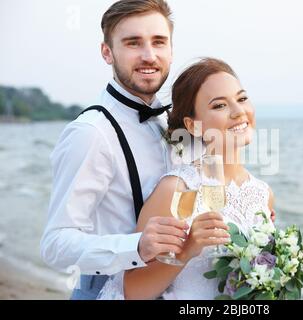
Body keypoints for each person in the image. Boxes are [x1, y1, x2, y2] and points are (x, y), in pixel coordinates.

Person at [40, 0, 208, 300]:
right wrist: (136, 246)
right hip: (108, 291)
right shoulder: (91, 133)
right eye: (133, 43)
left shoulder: (175, 123)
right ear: (107, 52)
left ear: (170, 49)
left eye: (159, 42)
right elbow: (55, 244)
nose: (149, 55)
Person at [98, 57, 276, 300]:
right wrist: (186, 250)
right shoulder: (178, 189)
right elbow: (133, 291)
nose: (238, 112)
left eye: (242, 99)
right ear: (193, 126)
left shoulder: (263, 194)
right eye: (219, 106)